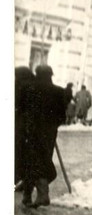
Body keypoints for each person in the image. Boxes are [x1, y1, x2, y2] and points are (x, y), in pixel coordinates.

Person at [21, 65, 67, 207]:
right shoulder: (59, 92)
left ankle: (32, 195)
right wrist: (52, 126)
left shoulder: (29, 88)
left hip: (31, 133)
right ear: (51, 75)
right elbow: (62, 117)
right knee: (44, 161)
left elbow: (22, 110)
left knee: (30, 162)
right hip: (49, 133)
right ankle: (35, 195)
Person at [15, 66, 35, 190]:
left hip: (22, 125)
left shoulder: (21, 86)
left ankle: (20, 179)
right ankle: (24, 181)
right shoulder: (34, 85)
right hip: (30, 126)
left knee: (19, 152)